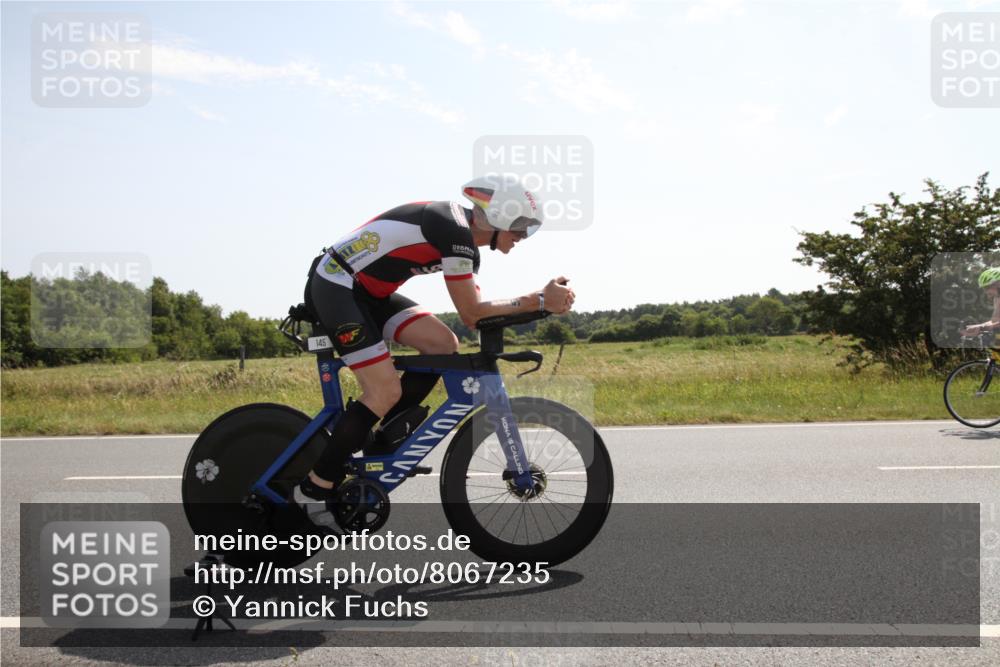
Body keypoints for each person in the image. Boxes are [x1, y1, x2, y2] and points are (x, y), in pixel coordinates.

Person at [293, 177, 575, 528]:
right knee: (384, 390)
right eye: (522, 227)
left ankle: (379, 440)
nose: (522, 237)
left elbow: (477, 317)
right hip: (337, 285)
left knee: (443, 345)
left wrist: (541, 306)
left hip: (368, 294)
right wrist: (539, 299)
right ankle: (312, 490)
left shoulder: (466, 247)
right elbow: (471, 312)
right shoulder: (453, 230)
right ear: (501, 215)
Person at [959, 267, 1000, 338]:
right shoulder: (997, 298)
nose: (986, 292)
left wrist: (981, 327)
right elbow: (995, 322)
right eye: (984, 289)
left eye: (987, 287)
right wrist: (977, 327)